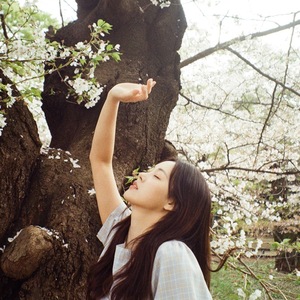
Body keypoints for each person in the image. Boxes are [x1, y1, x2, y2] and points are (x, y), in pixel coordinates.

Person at [87, 79, 212, 300]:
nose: (142, 175)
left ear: (172, 202)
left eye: (157, 175)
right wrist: (112, 98)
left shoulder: (171, 253)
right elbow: (100, 161)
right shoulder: (119, 233)